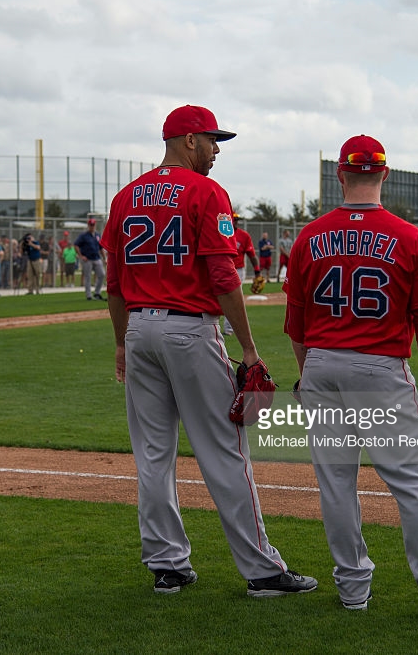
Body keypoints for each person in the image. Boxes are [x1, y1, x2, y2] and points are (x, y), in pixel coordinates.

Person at [101, 104, 317, 598]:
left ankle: (167, 566)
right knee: (224, 451)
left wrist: (120, 342)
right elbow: (223, 277)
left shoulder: (125, 196)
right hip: (189, 331)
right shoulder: (205, 191)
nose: (218, 150)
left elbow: (115, 284)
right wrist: (249, 348)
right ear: (189, 140)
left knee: (153, 455)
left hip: (139, 329)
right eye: (213, 140)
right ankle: (263, 572)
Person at [285, 134, 418, 622]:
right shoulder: (409, 236)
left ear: (340, 175)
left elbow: (296, 321)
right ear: (384, 174)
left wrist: (309, 375)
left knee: (335, 484)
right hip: (378, 368)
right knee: (412, 484)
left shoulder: (309, 236)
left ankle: (352, 590)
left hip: (322, 364)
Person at [224, 213, 259, 335]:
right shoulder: (221, 232)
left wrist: (257, 271)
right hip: (222, 268)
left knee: (233, 298)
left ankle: (229, 329)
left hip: (238, 270)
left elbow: (252, 255)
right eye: (234, 219)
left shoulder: (244, 236)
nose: (236, 222)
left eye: (237, 220)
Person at [75, 219, 106, 301]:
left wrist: (104, 258)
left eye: (93, 225)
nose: (92, 227)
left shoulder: (97, 235)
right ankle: (88, 295)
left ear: (95, 225)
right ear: (88, 225)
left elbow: (101, 247)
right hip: (87, 259)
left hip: (96, 257)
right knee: (88, 277)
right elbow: (76, 245)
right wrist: (81, 256)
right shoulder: (84, 235)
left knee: (102, 274)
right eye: (90, 225)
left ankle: (97, 293)